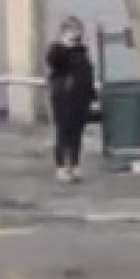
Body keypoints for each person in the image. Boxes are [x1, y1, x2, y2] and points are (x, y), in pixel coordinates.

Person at [44, 17, 97, 183]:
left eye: (78, 31)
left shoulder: (82, 52)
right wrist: (64, 45)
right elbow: (54, 62)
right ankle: (61, 167)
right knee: (63, 133)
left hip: (80, 99)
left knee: (77, 134)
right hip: (62, 97)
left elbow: (87, 75)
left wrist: (92, 95)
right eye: (72, 31)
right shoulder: (57, 50)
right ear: (64, 33)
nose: (76, 34)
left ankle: (75, 165)